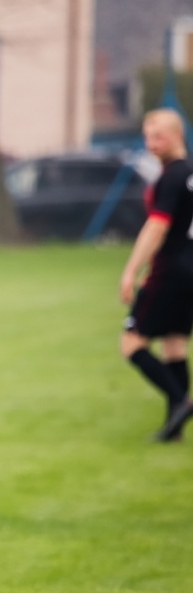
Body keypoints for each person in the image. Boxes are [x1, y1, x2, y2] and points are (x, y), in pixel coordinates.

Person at [119, 109, 193, 441]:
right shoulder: (190, 173)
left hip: (169, 269)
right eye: (148, 137)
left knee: (131, 343)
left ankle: (181, 401)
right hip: (190, 269)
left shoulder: (172, 176)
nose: (152, 144)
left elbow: (158, 226)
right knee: (174, 344)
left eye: (158, 136)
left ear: (177, 135)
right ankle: (173, 429)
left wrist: (131, 269)